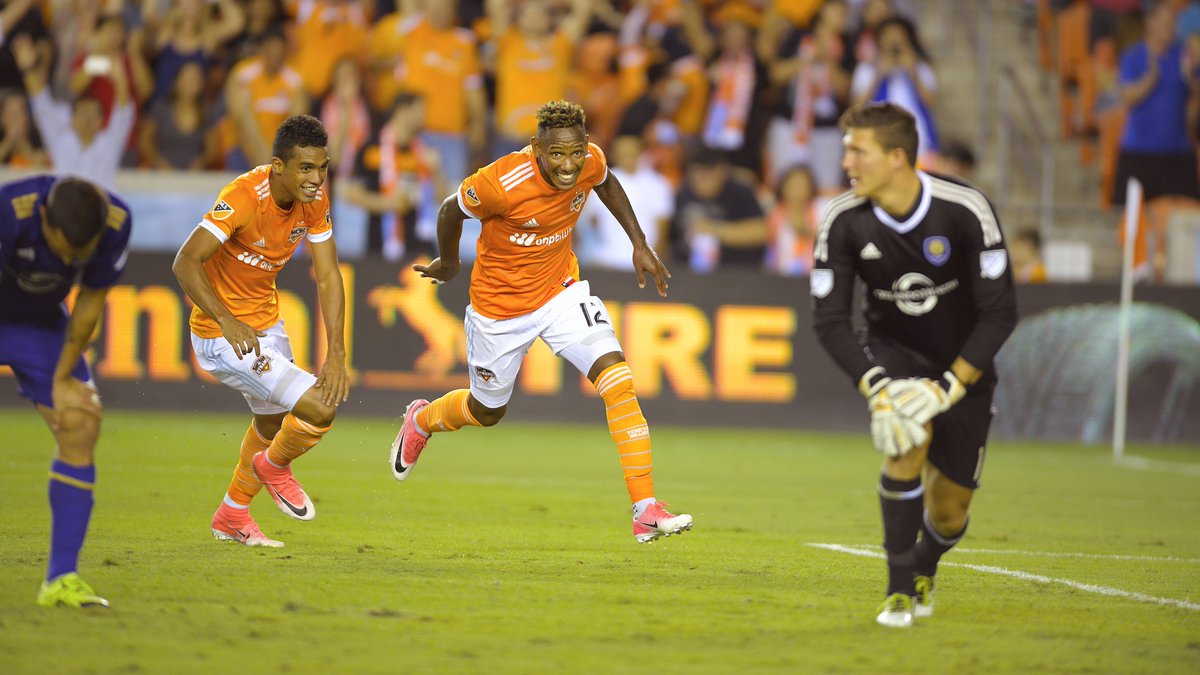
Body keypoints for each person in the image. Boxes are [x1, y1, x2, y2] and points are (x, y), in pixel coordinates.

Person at [389, 100, 693, 544]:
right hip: (500, 308)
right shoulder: (499, 182)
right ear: (536, 147)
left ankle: (645, 509)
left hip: (560, 291)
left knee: (618, 379)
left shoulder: (591, 160)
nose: (568, 166)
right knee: (486, 410)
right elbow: (449, 211)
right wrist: (452, 261)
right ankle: (422, 420)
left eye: (575, 153)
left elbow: (606, 183)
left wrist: (639, 242)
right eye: (556, 155)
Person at [810, 102, 1017, 627]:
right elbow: (830, 320)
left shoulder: (965, 208)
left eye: (858, 150)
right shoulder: (842, 219)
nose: (847, 162)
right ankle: (898, 591)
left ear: (897, 157)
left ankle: (925, 564)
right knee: (905, 438)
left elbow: (999, 312)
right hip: (893, 353)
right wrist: (878, 386)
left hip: (964, 363)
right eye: (846, 150)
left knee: (950, 513)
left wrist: (950, 386)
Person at [173, 114, 349, 548]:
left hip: (267, 326)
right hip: (223, 337)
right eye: (306, 168)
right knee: (320, 408)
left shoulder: (315, 203)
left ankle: (232, 515)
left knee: (271, 424)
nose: (316, 178)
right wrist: (225, 319)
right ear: (278, 166)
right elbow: (185, 262)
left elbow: (327, 276)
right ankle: (273, 467)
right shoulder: (243, 197)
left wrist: (338, 353)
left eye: (322, 167)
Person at [0, 175, 133, 607]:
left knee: (80, 421)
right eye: (63, 249)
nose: (70, 259)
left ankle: (60, 579)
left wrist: (61, 378)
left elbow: (91, 300)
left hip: (39, 324)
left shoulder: (114, 222)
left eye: (81, 253)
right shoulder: (8, 212)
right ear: (43, 218)